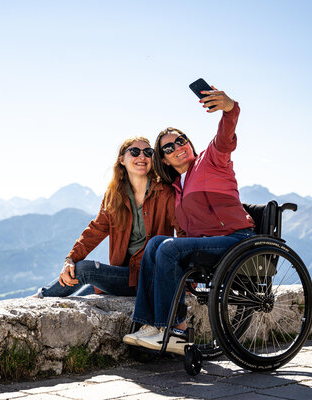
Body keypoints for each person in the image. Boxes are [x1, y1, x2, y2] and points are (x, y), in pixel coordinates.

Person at [122, 87, 256, 353]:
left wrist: (230, 108)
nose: (178, 148)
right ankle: (149, 325)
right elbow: (184, 234)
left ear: (189, 142)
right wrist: (185, 264)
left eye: (181, 140)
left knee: (168, 247)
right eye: (169, 148)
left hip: (236, 239)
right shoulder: (177, 187)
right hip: (208, 246)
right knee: (157, 243)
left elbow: (225, 138)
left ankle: (174, 330)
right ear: (165, 159)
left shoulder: (211, 159)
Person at [34, 137, 183, 298]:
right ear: (122, 160)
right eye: (134, 152)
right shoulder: (114, 196)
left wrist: (185, 279)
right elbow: (95, 230)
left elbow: (182, 233)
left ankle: (41, 298)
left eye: (148, 152)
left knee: (84, 270)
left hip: (151, 276)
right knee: (84, 295)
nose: (142, 157)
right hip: (124, 277)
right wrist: (70, 259)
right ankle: (44, 297)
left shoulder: (165, 194)